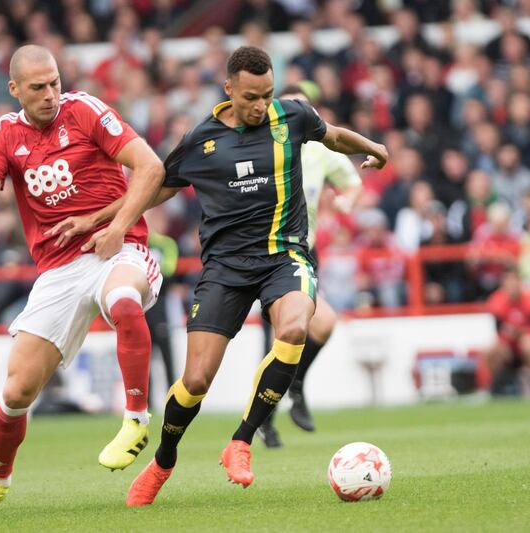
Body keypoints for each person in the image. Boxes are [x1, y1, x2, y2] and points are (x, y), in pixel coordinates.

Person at [58, 46, 387, 506]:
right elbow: (151, 191)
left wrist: (373, 148)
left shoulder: (292, 117)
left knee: (294, 326)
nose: (261, 105)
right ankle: (163, 462)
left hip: (284, 257)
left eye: (268, 94)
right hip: (225, 271)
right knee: (195, 381)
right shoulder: (201, 141)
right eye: (252, 96)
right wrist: (100, 221)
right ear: (229, 88)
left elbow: (332, 136)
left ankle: (242, 440)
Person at [0, 44, 165, 514]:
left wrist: (115, 227)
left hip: (116, 248)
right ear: (14, 90)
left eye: (54, 82)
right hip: (58, 270)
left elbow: (151, 167)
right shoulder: (4, 136)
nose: (51, 94)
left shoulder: (85, 109)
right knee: (16, 392)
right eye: (38, 87)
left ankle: (135, 419)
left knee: (125, 299)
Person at [256, 85, 363, 449]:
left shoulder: (319, 149)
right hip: (268, 255)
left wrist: (347, 202)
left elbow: (352, 182)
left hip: (303, 253)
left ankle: (294, 388)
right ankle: (264, 420)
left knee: (320, 326)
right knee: (277, 342)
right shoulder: (264, 147)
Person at [485, 268, 530, 395]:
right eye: (508, 281)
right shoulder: (497, 302)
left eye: (515, 280)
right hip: (509, 345)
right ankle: (497, 385)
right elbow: (499, 331)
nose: (512, 284)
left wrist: (519, 332)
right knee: (490, 351)